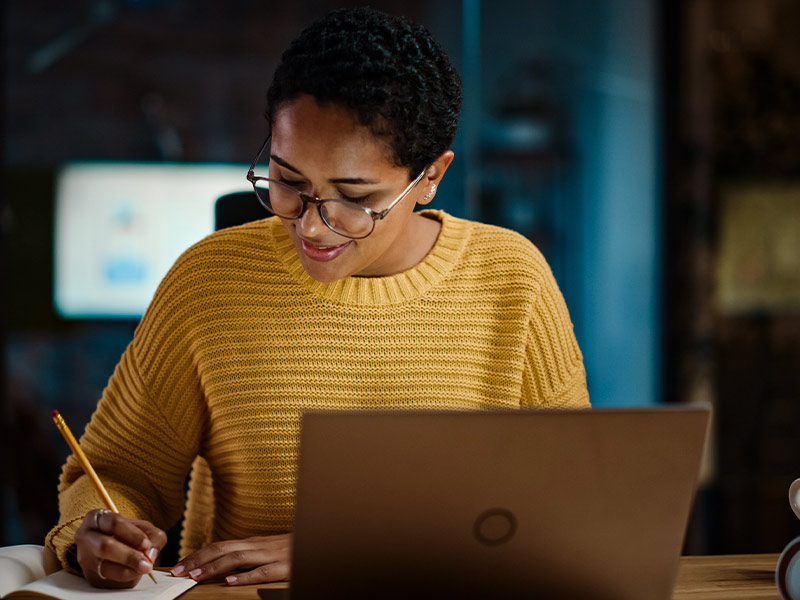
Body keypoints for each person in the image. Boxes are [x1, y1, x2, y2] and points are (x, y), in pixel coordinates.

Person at [46, 6, 590, 589]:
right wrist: (99, 529)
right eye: (288, 182)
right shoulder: (209, 284)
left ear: (430, 175)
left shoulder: (512, 279)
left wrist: (346, 551)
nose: (311, 227)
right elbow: (119, 473)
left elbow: (570, 503)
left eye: (353, 197)